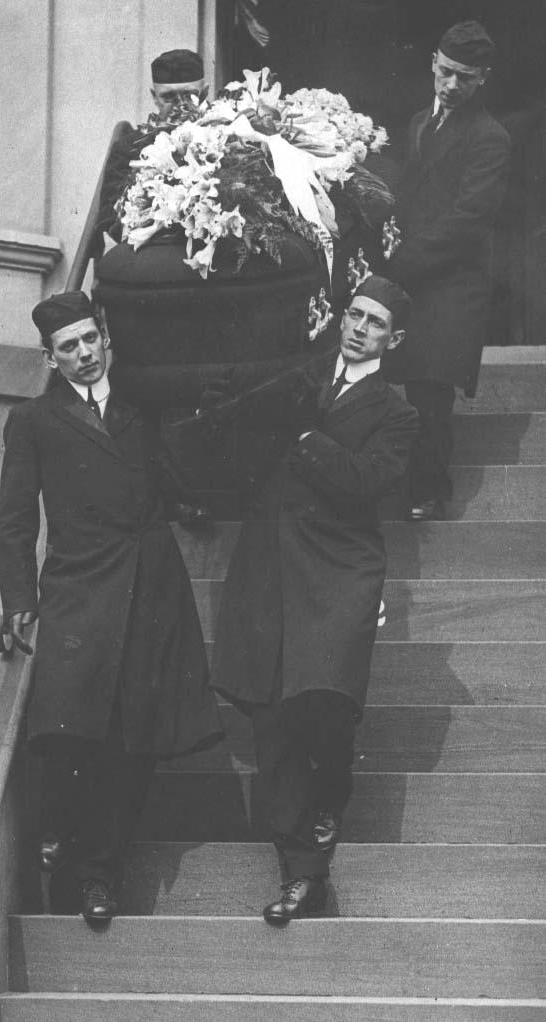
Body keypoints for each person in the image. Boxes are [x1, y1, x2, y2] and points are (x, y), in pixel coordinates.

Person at [0, 290, 222, 924]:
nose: (84, 354)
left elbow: (169, 473)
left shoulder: (138, 409)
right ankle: (61, 846)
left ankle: (99, 876)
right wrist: (19, 599)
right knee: (66, 731)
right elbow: (14, 523)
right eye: (69, 347)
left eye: (90, 339)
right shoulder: (34, 422)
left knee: (133, 738)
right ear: (51, 358)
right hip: (78, 587)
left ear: (105, 338)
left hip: (151, 586)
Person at [207, 275, 418, 923]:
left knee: (324, 703)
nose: (357, 327)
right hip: (268, 566)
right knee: (273, 721)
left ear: (394, 337)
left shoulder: (396, 411)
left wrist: (303, 438)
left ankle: (333, 788)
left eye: (374, 322)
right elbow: (236, 444)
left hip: (338, 570)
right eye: (353, 314)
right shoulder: (296, 379)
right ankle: (301, 876)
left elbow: (364, 481)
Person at [383, 20, 511, 521]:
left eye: (465, 77)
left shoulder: (490, 137)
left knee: (430, 385)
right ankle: (404, 486)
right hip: (414, 272)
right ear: (433, 64)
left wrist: (395, 262)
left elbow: (467, 223)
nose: (451, 85)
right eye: (445, 72)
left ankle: (429, 492)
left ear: (483, 79)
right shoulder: (418, 122)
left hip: (453, 281)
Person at [94, 48, 207, 254]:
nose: (180, 105)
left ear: (205, 92)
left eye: (189, 95)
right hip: (150, 251)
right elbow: (110, 218)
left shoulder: (221, 132)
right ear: (155, 97)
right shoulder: (129, 147)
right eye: (169, 97)